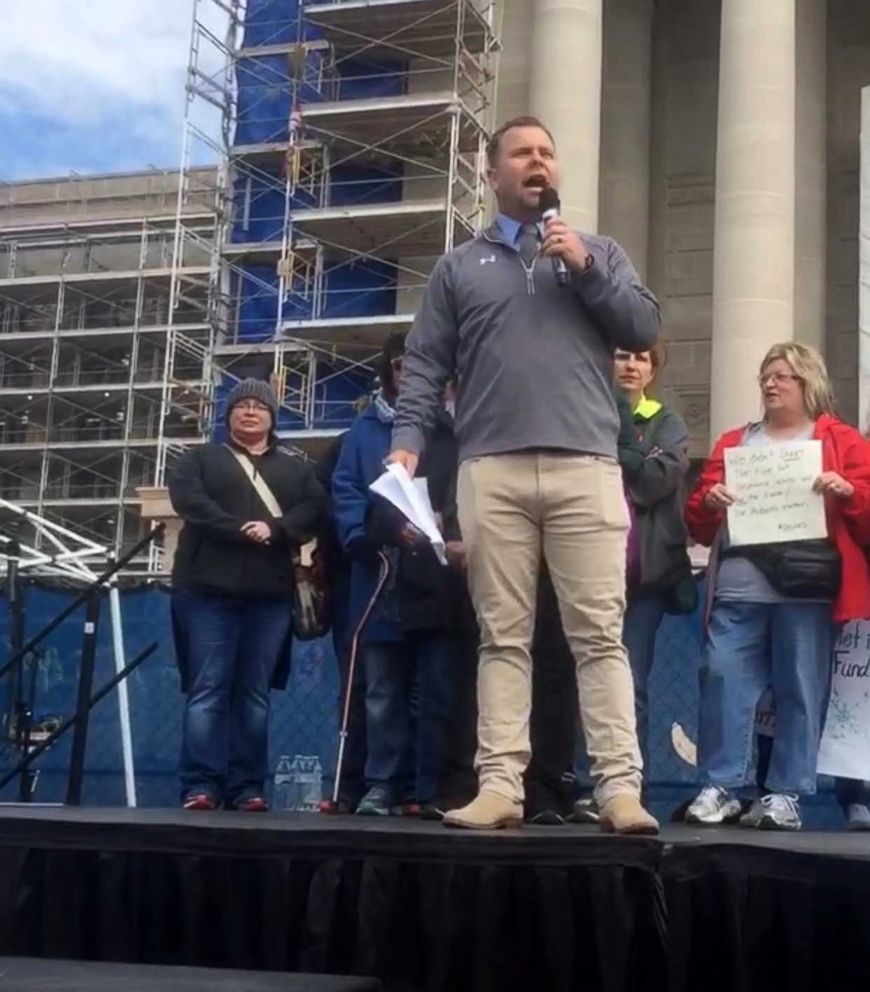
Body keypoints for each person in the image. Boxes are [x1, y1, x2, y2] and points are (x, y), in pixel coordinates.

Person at [389, 115, 661, 833]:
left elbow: (641, 328)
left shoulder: (596, 251)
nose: (537, 162)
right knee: (501, 636)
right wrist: (407, 443)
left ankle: (618, 790)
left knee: (599, 636)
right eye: (522, 153)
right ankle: (500, 785)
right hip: (492, 469)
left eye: (547, 151)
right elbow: (424, 364)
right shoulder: (457, 267)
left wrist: (585, 266)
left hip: (586, 466)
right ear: (493, 172)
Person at [684, 343, 870, 830]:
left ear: (809, 383)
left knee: (801, 691)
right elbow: (699, 523)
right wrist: (709, 502)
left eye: (783, 376)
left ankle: (786, 794)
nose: (770, 384)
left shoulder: (844, 442)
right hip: (739, 590)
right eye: (766, 376)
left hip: (809, 589)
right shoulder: (733, 442)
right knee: (721, 678)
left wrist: (848, 493)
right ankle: (721, 785)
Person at [169, 378, 327, 812]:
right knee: (208, 689)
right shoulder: (199, 459)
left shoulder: (297, 468)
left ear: (273, 417)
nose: (250, 412)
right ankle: (200, 786)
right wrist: (237, 528)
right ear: (228, 415)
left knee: (254, 694)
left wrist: (276, 529)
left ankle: (247, 788)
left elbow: (314, 510)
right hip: (206, 593)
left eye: (260, 405)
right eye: (241, 405)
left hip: (269, 596)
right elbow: (189, 502)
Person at [332, 334, 459, 817]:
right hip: (380, 576)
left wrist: (450, 523)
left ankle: (423, 789)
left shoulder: (451, 431)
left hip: (438, 580)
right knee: (380, 691)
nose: (410, 376)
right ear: (390, 370)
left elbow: (466, 487)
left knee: (433, 692)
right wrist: (365, 537)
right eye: (404, 366)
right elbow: (345, 491)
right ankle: (380, 785)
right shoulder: (362, 431)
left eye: (422, 368)